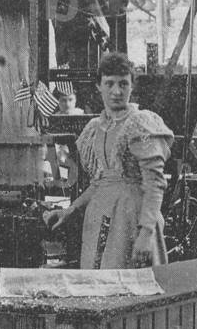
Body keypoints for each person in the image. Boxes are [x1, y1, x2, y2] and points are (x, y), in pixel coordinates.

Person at [44, 52, 173, 268]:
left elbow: (155, 183)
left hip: (133, 219)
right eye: (109, 83)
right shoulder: (95, 128)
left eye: (123, 84)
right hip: (100, 216)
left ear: (132, 86)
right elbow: (100, 182)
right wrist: (70, 210)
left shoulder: (140, 123)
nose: (117, 91)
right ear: (99, 86)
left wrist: (146, 233)